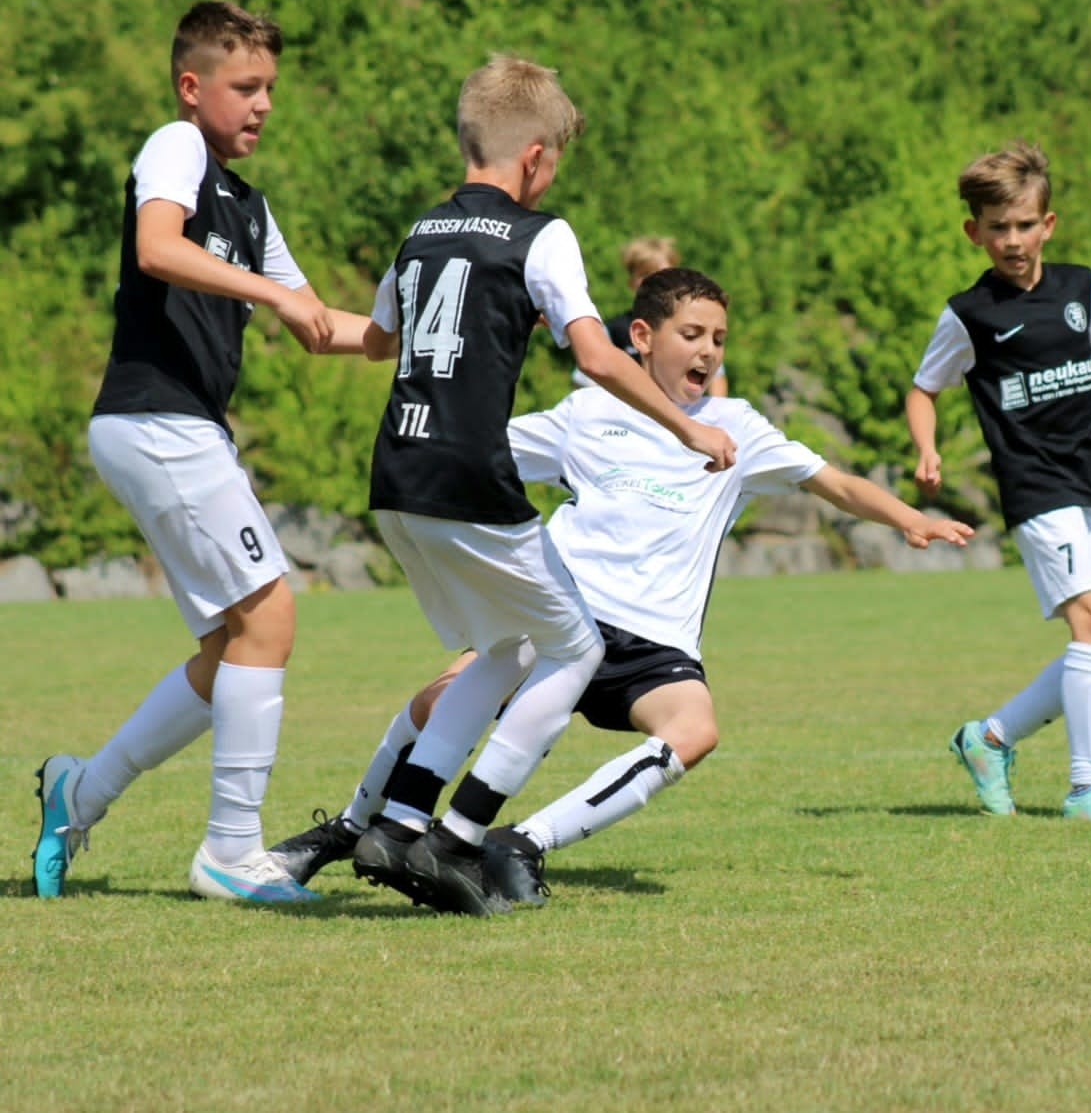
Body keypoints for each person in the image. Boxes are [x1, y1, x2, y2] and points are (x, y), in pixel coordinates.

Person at [269, 267, 973, 906]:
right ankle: (350, 829)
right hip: (561, 615)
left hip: (652, 639)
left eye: (719, 339)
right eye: (691, 334)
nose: (708, 351)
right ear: (641, 337)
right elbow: (485, 452)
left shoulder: (737, 427)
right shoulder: (588, 415)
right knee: (440, 699)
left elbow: (835, 483)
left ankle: (523, 841)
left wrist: (911, 520)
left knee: (694, 731)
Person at [347, 56, 737, 917]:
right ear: (533, 157)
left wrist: (290, 310)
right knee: (574, 648)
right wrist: (690, 428)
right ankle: (459, 837)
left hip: (397, 477)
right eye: (555, 158)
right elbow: (596, 355)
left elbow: (375, 341)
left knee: (505, 650)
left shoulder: (421, 231)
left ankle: (399, 821)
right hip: (468, 478)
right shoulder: (541, 235)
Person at [29, 0, 380, 905]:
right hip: (159, 420)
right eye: (246, 86)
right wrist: (271, 291)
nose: (264, 105)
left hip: (172, 429)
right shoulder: (176, 145)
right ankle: (230, 851)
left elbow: (322, 324)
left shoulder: (249, 207)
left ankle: (80, 792)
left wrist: (420, 331)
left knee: (233, 649)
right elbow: (156, 248)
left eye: (271, 89)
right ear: (193, 87)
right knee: (271, 619)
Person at [904, 140, 1091, 822]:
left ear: (1047, 225)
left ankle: (988, 739)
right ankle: (1087, 789)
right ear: (974, 232)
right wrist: (926, 449)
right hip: (1036, 487)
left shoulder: (1080, 287)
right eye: (998, 228)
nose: (1012, 240)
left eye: (1024, 225)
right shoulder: (970, 314)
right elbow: (923, 389)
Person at [591, 236, 727, 396]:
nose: (655, 282)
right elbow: (591, 378)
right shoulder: (614, 330)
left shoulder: (697, 324)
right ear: (631, 282)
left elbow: (717, 379)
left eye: (663, 274)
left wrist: (716, 409)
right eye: (645, 274)